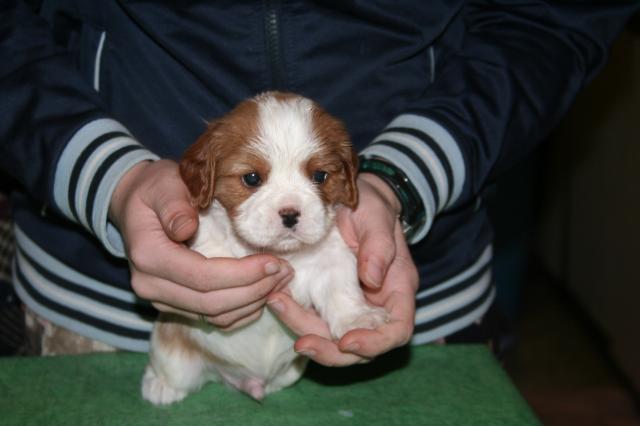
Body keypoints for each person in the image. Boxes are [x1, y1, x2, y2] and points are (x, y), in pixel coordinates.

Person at [0, 1, 637, 364]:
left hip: (416, 301)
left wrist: (403, 177)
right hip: (102, 310)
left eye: (319, 176)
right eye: (251, 179)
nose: (287, 205)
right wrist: (110, 177)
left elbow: (553, 20)